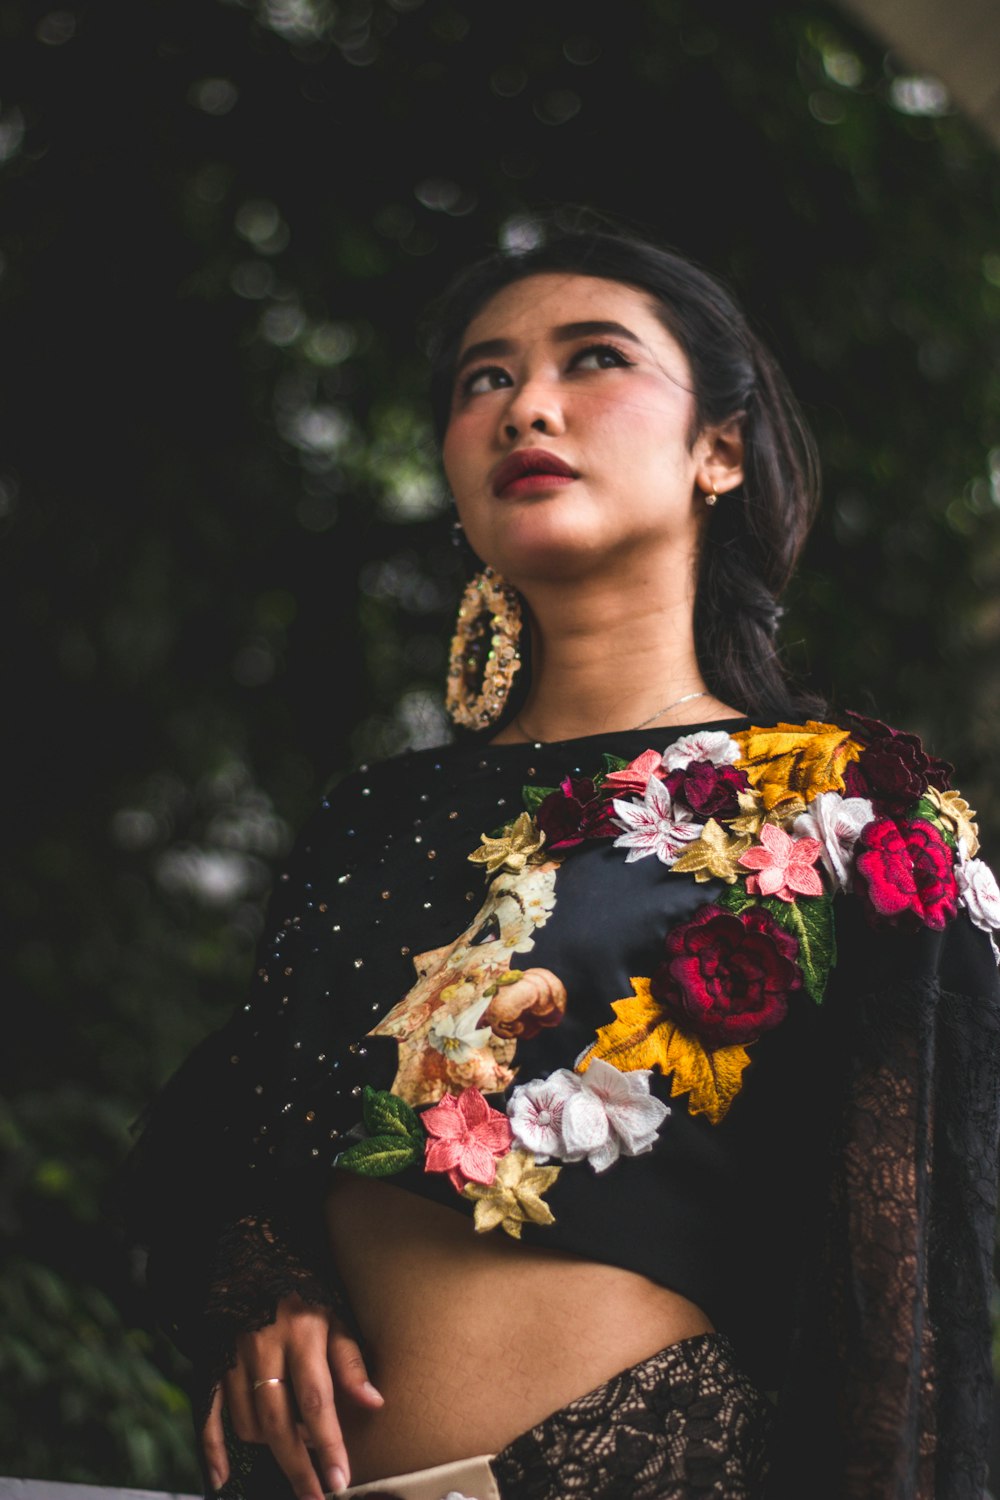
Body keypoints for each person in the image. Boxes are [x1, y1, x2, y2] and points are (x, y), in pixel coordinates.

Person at [122, 227, 1000, 1500]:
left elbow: (906, 1295)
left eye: (595, 360)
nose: (525, 403)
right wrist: (271, 1292)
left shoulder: (849, 812)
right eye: (483, 378)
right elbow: (244, 1145)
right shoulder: (372, 817)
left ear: (721, 449)